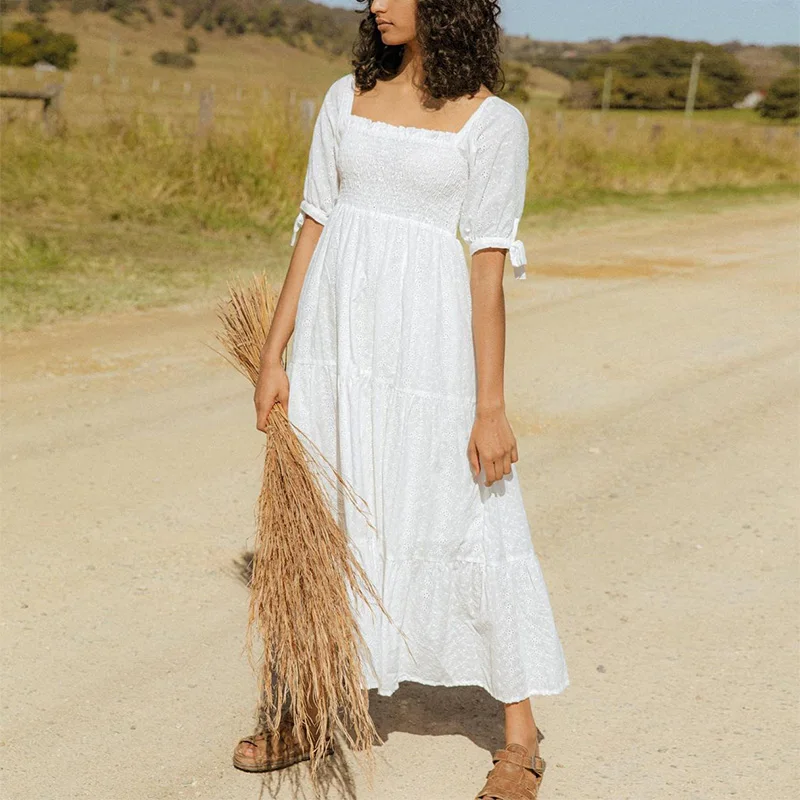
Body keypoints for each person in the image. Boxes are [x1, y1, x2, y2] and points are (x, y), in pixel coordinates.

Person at [233, 1, 569, 796]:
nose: (377, 3)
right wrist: (273, 355)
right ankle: (314, 708)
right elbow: (312, 223)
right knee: (323, 521)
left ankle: (519, 738)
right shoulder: (344, 96)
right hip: (332, 344)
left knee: (465, 509)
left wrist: (491, 408)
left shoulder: (495, 124)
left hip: (427, 351)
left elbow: (487, 268)